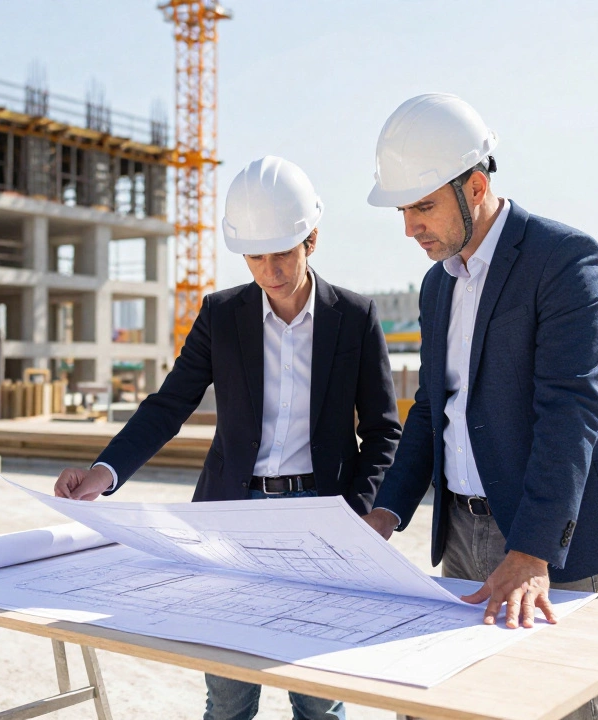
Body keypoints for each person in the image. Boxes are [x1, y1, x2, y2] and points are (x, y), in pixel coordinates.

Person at [54, 155, 401, 720]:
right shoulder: (220, 315)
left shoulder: (355, 318)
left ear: (311, 239)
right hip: (230, 522)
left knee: (319, 695)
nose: (270, 271)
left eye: (282, 253)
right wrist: (104, 472)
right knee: (229, 697)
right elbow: (169, 405)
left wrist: (362, 518)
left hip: (320, 519)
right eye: (256, 257)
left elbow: (384, 430)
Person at [360, 94, 598, 720]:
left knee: (554, 706)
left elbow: (571, 411)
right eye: (404, 210)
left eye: (423, 206)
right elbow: (431, 408)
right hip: (461, 533)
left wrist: (533, 549)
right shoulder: (438, 286)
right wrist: (386, 512)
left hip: (552, 545)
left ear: (477, 186)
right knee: (446, 705)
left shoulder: (565, 261)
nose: (410, 227)